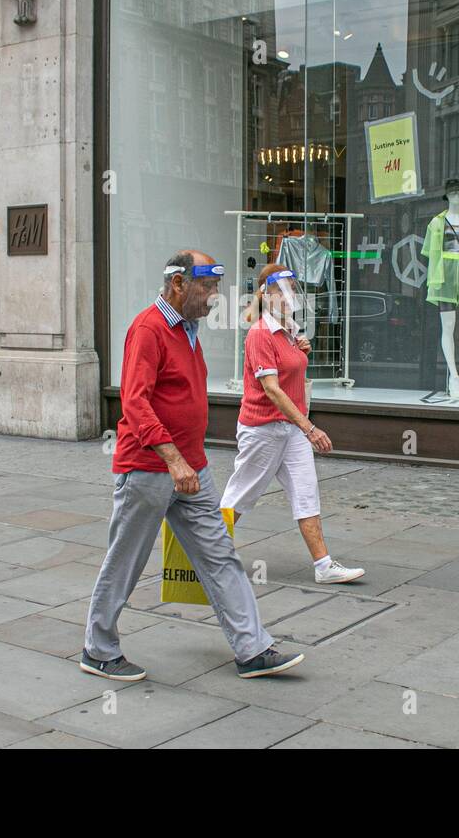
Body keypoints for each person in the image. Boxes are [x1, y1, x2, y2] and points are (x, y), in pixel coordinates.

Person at [80, 250, 303, 682]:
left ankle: (252, 649)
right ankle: (97, 648)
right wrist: (173, 458)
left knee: (219, 555)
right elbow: (135, 403)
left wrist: (188, 462)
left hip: (191, 470)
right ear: (179, 284)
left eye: (217, 286)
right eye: (209, 286)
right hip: (148, 468)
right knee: (125, 560)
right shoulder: (149, 329)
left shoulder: (189, 329)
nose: (215, 295)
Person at [221, 264, 365, 584]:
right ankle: (207, 556)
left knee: (306, 493)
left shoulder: (290, 330)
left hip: (291, 430)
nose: (288, 298)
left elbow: (288, 376)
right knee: (240, 496)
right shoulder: (260, 333)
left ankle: (324, 565)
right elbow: (271, 389)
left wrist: (301, 353)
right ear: (265, 296)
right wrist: (310, 428)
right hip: (263, 429)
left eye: (291, 291)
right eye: (281, 292)